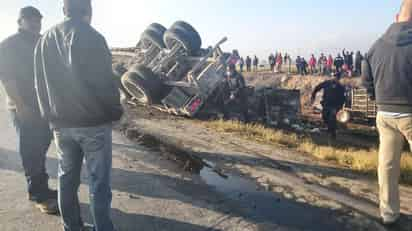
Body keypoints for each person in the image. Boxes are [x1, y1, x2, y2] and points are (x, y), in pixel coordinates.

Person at [34, 0, 123, 230]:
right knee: (99, 183)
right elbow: (105, 83)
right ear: (89, 11)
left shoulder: (44, 40)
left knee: (66, 179)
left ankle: (72, 226)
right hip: (93, 123)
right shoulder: (93, 37)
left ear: (64, 10)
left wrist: (50, 117)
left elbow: (39, 85)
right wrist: (115, 111)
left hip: (61, 125)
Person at [0, 6, 58, 214]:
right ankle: (39, 195)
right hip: (24, 107)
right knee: (31, 150)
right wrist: (21, 106)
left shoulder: (43, 41)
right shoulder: (8, 45)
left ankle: (40, 187)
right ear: (20, 22)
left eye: (38, 19)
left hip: (45, 106)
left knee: (42, 145)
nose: (35, 22)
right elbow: (7, 78)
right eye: (30, 19)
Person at [362, 0, 412, 226]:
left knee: (387, 166)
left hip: (385, 114)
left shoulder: (376, 46)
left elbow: (366, 80)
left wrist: (377, 99)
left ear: (396, 17)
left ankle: (389, 214)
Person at [311, 75, 345, 140]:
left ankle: (333, 133)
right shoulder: (327, 83)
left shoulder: (340, 87)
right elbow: (318, 87)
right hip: (326, 104)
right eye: (333, 76)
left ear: (338, 79)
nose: (334, 78)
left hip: (335, 106)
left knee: (332, 118)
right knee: (324, 117)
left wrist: (340, 107)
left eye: (336, 77)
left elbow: (343, 98)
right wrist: (313, 95)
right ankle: (329, 129)